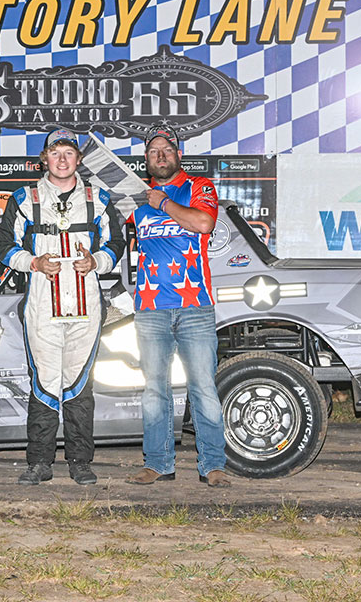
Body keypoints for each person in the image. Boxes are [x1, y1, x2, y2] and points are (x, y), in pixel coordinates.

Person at [0, 129, 125, 485]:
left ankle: (80, 462)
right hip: (42, 306)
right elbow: (3, 245)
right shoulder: (25, 197)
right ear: (44, 159)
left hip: (86, 307)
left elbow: (118, 241)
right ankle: (39, 462)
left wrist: (97, 261)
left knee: (80, 383)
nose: (63, 159)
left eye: (69, 153)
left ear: (79, 160)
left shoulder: (97, 197)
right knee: (45, 383)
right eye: (56, 153)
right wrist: (33, 263)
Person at [126, 127, 232, 488]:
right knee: (154, 390)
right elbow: (105, 231)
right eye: (152, 150)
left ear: (178, 155)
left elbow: (204, 223)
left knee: (202, 387)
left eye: (166, 149)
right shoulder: (136, 198)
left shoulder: (198, 187)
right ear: (146, 160)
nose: (159, 155)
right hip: (150, 308)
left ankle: (213, 465)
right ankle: (158, 463)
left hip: (195, 306)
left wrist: (162, 203)